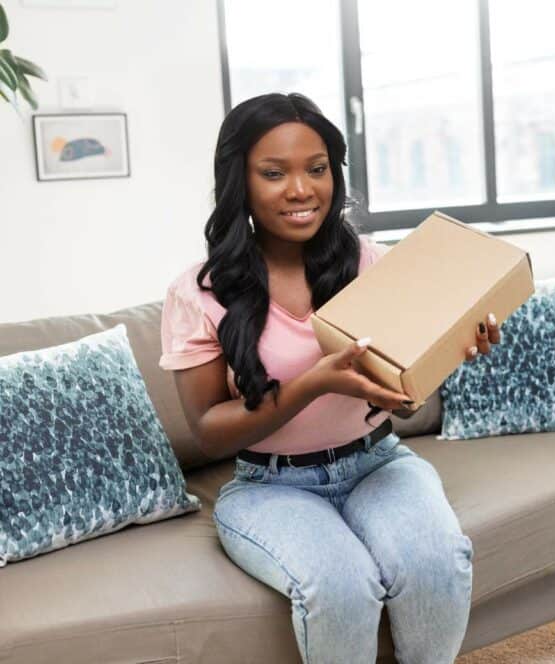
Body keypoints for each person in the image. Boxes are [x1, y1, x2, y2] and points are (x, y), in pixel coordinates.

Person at [158, 92, 501, 664]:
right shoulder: (199, 292)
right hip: (270, 487)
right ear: (239, 182)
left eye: (317, 170)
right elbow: (209, 434)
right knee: (340, 587)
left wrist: (446, 352)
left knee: (438, 560)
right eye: (274, 173)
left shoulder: (373, 264)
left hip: (377, 461)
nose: (301, 190)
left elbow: (404, 403)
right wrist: (314, 382)